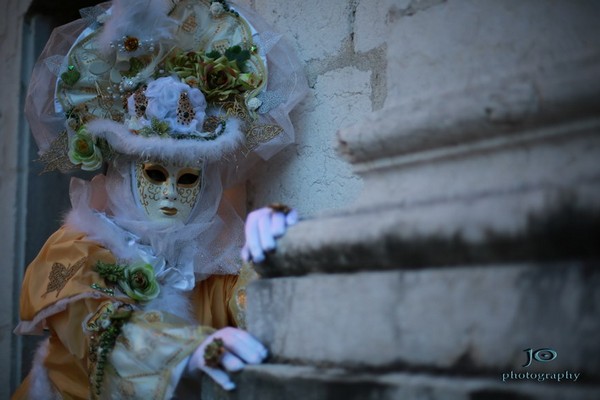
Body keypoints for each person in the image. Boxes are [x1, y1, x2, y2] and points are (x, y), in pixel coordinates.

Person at [12, 0, 307, 398]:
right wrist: (185, 350)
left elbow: (260, 314)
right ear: (122, 175)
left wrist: (274, 258)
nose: (170, 191)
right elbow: (96, 326)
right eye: (154, 173)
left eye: (188, 179)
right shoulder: (78, 250)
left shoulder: (210, 266)